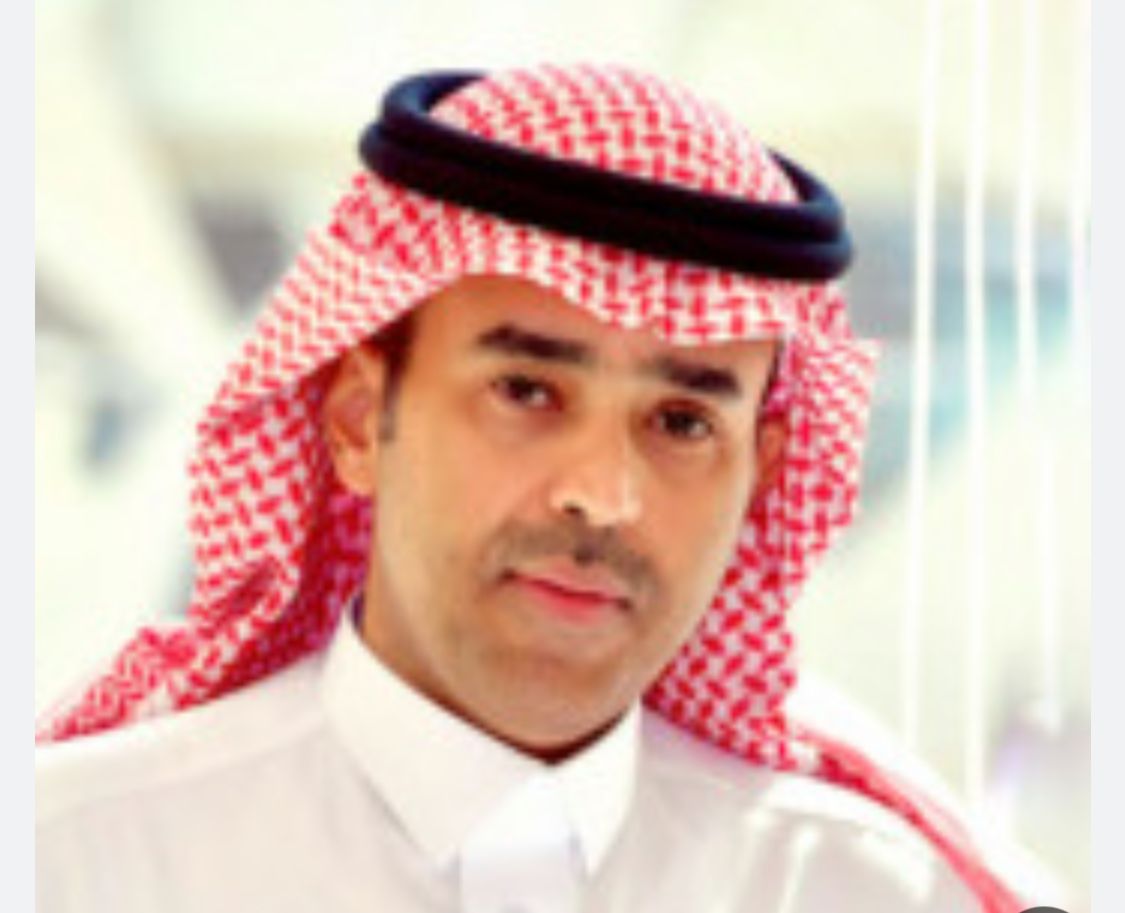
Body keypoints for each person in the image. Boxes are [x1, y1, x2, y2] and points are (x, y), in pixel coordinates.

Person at [36, 64, 1034, 912]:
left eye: (683, 422)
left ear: (758, 477)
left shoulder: (868, 891)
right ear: (355, 420)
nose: (603, 494)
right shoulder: (70, 861)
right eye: (525, 391)